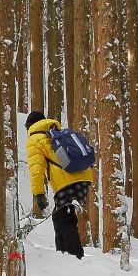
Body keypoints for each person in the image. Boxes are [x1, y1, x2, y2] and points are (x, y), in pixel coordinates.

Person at [26, 111, 91, 259]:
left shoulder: (35, 139)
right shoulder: (57, 132)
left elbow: (37, 169)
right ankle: (62, 255)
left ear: (30, 126)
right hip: (85, 177)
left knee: (65, 218)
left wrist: (39, 194)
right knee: (59, 215)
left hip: (68, 182)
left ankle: (75, 257)